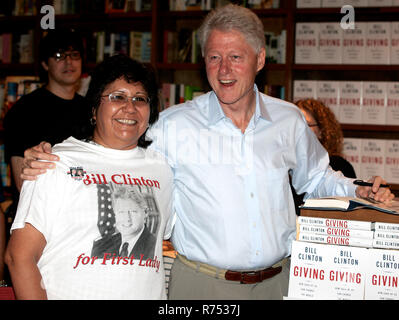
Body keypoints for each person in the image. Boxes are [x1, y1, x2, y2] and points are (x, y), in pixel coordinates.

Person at [19, 5, 394, 300]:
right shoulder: (172, 126)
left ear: (260, 60)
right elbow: (115, 142)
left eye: (236, 57)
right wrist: (52, 154)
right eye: (214, 57)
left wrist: (359, 191)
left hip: (281, 283)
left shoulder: (289, 120)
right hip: (202, 285)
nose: (224, 70)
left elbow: (318, 178)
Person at [5, 54, 174, 300]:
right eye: (117, 97)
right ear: (94, 108)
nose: (130, 107)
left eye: (140, 99)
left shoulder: (162, 169)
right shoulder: (56, 162)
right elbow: (19, 257)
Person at [3, 29, 91, 202]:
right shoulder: (23, 111)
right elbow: (23, 183)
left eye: (75, 55)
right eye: (59, 55)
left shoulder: (91, 109)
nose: (69, 62)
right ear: (45, 63)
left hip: (85, 206)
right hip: (41, 211)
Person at [292, 98, 357, 214]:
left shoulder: (338, 165)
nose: (298, 131)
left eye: (306, 125)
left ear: (322, 131)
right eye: (294, 124)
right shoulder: (285, 163)